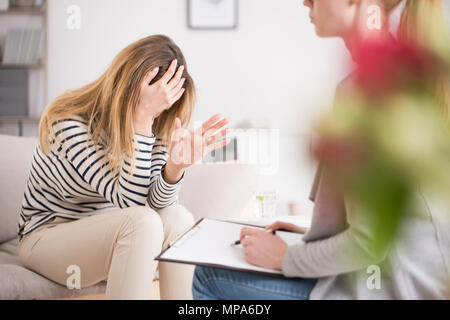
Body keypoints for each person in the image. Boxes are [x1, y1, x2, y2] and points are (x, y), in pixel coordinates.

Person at [192, 0, 450, 300]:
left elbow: (370, 243)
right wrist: (311, 236)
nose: (305, 1)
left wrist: (284, 258)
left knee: (209, 277)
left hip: (382, 288)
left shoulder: (368, 92)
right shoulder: (395, 78)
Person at [17, 35, 230, 300]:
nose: (157, 114)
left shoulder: (156, 121)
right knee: (142, 222)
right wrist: (141, 118)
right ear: (127, 86)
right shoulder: (69, 123)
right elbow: (131, 204)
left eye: (163, 105)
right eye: (150, 102)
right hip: (46, 238)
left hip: (115, 237)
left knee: (179, 219)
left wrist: (174, 168)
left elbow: (154, 205)